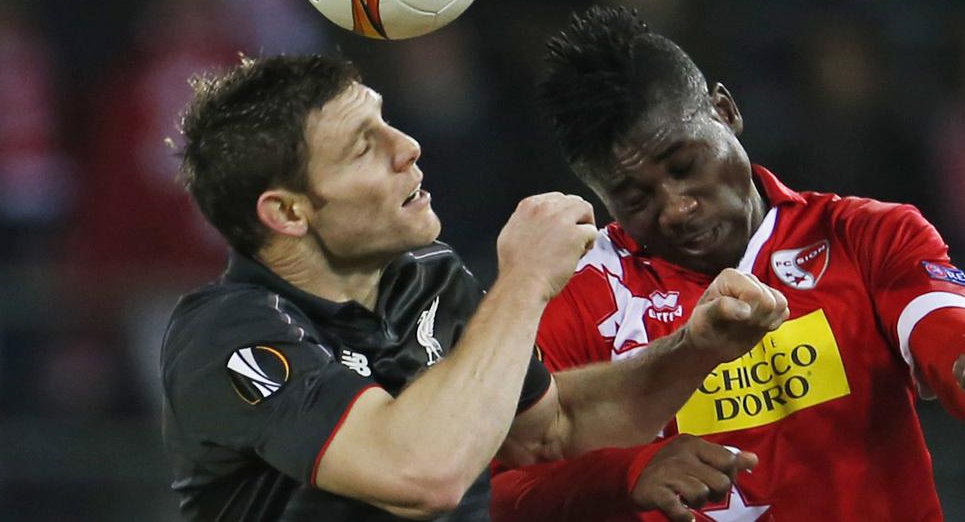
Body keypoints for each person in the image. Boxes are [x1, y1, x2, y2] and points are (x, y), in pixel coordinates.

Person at [159, 54, 791, 521]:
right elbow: (420, 473)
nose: (406, 147)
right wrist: (524, 281)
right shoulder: (228, 334)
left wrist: (697, 347)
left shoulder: (426, 279)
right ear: (289, 213)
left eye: (387, 124)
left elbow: (552, 430)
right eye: (362, 149)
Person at [490, 6, 965, 521]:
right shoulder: (578, 299)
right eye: (636, 199)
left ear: (725, 110)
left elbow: (952, 347)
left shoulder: (865, 235)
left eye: (685, 165)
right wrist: (623, 475)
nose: (678, 209)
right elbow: (495, 495)